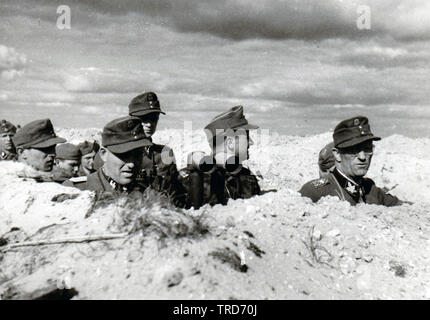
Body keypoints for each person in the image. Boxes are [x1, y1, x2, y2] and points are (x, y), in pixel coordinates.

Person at [299, 116, 404, 206]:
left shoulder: (371, 190)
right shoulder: (315, 192)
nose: (362, 157)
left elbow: (409, 210)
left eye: (367, 149)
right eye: (354, 150)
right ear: (337, 154)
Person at [179, 105, 261, 209]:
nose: (251, 142)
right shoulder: (244, 178)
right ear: (230, 142)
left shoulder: (244, 175)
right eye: (247, 137)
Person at [80, 116, 152, 193]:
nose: (131, 164)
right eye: (124, 155)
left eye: (137, 155)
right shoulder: (80, 190)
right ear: (104, 154)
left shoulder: (147, 191)